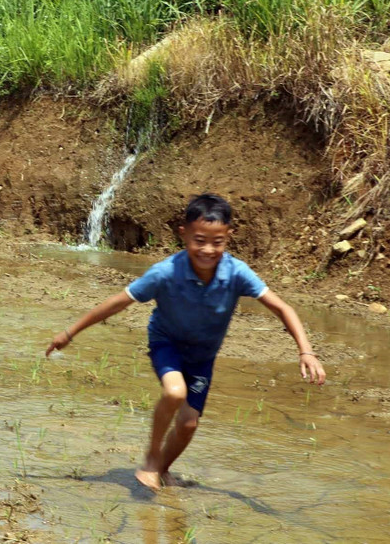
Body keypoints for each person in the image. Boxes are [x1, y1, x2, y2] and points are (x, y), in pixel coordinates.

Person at [45, 193, 326, 491]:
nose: (207, 250)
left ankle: (162, 470)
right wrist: (70, 332)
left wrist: (305, 351)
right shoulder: (165, 273)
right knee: (175, 392)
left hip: (203, 357)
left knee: (189, 424)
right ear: (184, 234)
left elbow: (282, 308)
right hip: (168, 345)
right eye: (199, 240)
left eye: (217, 243)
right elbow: (118, 302)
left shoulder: (237, 273)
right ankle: (152, 457)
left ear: (229, 236)